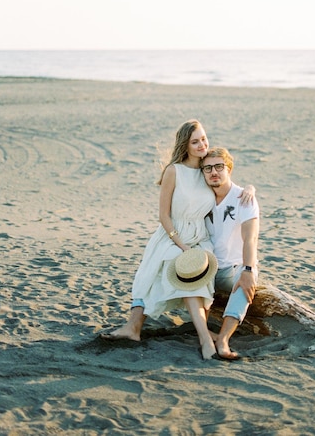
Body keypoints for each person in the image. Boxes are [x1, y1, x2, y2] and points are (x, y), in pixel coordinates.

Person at [101, 120, 254, 360]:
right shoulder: (173, 171)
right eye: (195, 141)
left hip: (200, 237)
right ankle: (204, 338)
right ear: (186, 145)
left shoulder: (206, 170)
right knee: (165, 269)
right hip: (173, 235)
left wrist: (250, 188)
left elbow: (226, 183)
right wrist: (182, 245)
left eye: (204, 139)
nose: (202, 144)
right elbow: (163, 215)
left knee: (197, 273)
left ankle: (204, 336)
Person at [201, 147, 260, 361]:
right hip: (207, 267)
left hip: (235, 267)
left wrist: (248, 269)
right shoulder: (202, 199)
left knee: (245, 284)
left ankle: (223, 338)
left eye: (219, 166)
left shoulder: (243, 198)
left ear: (229, 168)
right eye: (207, 168)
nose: (213, 172)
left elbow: (250, 238)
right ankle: (206, 335)